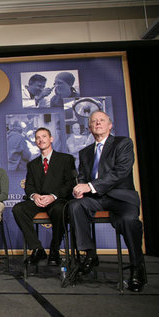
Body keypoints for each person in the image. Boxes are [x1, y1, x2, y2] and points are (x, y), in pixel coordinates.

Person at [69, 111, 145, 292]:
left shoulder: (123, 143)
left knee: (129, 221)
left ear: (110, 125)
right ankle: (89, 254)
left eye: (101, 120)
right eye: (93, 121)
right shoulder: (85, 152)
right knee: (74, 206)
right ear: (89, 128)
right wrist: (79, 188)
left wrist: (90, 186)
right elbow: (82, 177)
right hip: (96, 199)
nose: (97, 123)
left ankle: (137, 268)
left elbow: (120, 172)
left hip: (121, 197)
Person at [13, 127, 75, 266]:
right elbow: (29, 186)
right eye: (37, 138)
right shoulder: (32, 164)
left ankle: (54, 249)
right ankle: (37, 248)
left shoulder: (66, 159)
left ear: (51, 139)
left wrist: (53, 196)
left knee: (59, 210)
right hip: (39, 200)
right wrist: (35, 196)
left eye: (44, 136)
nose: (40, 140)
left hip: (57, 200)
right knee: (18, 209)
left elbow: (70, 183)